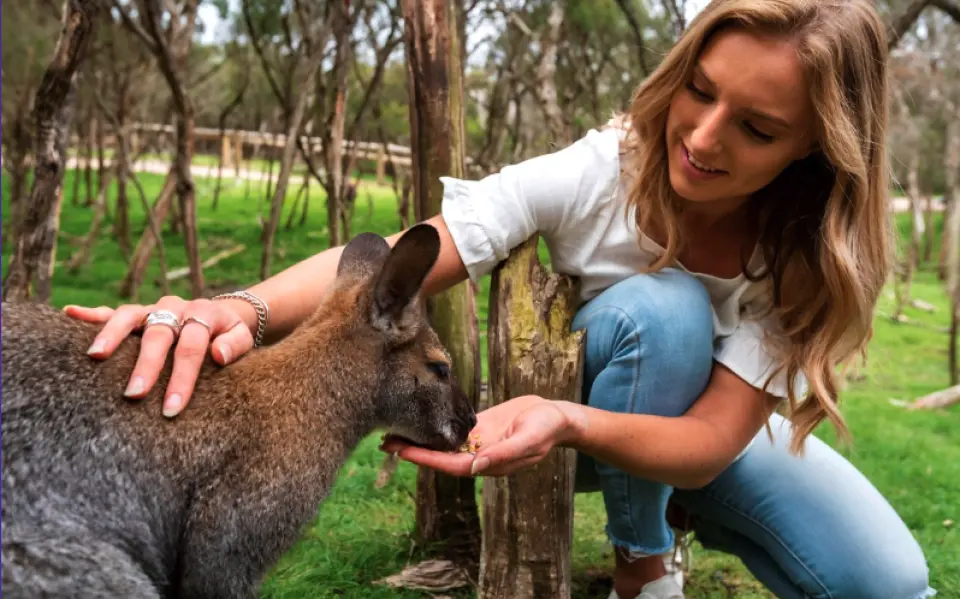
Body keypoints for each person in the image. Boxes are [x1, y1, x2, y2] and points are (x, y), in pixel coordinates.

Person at [67, 0, 936, 597]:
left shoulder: (802, 253)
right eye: (700, 92)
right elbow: (424, 246)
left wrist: (589, 430)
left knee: (891, 581)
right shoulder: (609, 170)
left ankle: (671, 514)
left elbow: (712, 440)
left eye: (756, 127)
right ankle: (645, 564)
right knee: (661, 311)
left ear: (816, 149)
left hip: (695, 435)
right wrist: (241, 309)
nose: (701, 138)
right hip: (567, 418)